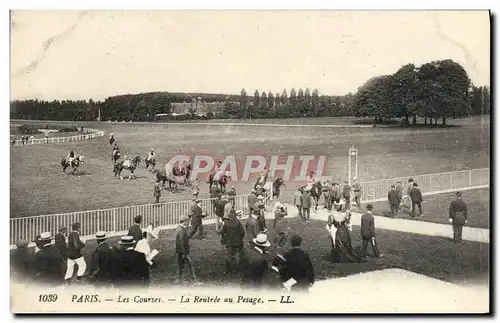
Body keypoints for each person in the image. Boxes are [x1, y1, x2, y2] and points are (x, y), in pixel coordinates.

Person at [175, 217, 200, 284]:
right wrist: (184, 253)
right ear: (184, 221)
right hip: (183, 252)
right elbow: (182, 242)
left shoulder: (179, 229)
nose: (188, 222)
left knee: (180, 266)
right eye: (187, 221)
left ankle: (178, 279)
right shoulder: (181, 230)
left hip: (179, 251)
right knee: (190, 265)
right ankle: (194, 280)